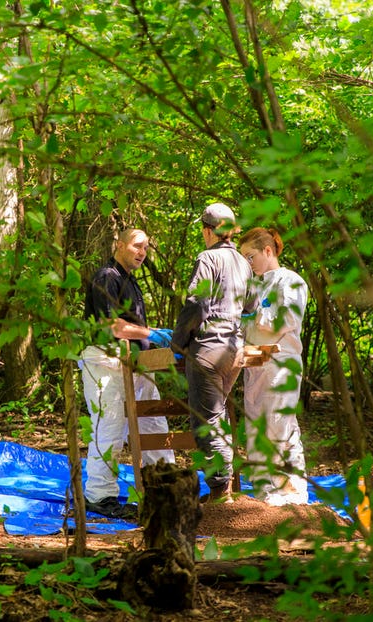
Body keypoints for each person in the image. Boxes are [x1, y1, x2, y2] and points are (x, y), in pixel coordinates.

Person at [80, 228, 176, 519]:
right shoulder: (107, 276)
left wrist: (155, 343)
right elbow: (112, 327)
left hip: (135, 363)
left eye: (146, 247)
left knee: (153, 422)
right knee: (109, 427)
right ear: (119, 245)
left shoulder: (130, 281)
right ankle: (100, 496)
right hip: (104, 361)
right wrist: (153, 333)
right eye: (136, 245)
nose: (142, 251)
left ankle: (165, 485)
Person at [171, 203, 254, 503]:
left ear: (208, 230)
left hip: (208, 348)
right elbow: (251, 306)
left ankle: (221, 494)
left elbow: (196, 303)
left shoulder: (207, 258)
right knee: (218, 416)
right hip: (235, 350)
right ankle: (224, 489)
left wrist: (178, 342)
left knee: (207, 422)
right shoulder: (244, 263)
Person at [238, 227, 310, 506]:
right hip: (254, 364)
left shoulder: (289, 281)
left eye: (251, 256)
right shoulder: (252, 286)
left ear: (268, 251)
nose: (248, 262)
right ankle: (264, 494)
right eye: (243, 258)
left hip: (281, 364)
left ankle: (291, 494)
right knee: (256, 430)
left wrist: (255, 319)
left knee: (279, 426)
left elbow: (283, 323)